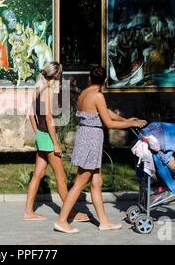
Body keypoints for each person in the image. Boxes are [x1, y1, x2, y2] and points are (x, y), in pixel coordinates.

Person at [54, 66, 147, 234]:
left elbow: (107, 113)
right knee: (80, 182)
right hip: (91, 140)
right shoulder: (98, 96)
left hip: (86, 137)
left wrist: (125, 119)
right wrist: (131, 124)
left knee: (96, 182)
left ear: (90, 78)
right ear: (105, 80)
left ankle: (103, 221)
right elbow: (109, 123)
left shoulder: (85, 93)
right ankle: (62, 220)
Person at [23, 62, 88, 222]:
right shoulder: (48, 92)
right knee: (61, 177)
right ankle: (71, 213)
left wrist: (38, 132)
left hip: (41, 135)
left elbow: (31, 115)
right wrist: (56, 143)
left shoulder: (37, 89)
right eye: (60, 76)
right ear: (56, 76)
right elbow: (49, 118)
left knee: (38, 174)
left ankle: (28, 212)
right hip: (49, 137)